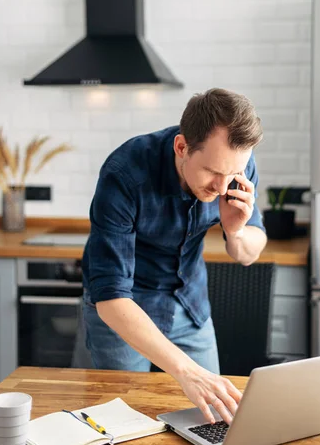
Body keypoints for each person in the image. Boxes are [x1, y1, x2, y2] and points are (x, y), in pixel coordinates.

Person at [81, 88, 267, 425]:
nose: (223, 188)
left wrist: (235, 231)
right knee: (124, 422)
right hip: (126, 310)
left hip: (189, 305)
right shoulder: (124, 174)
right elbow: (110, 298)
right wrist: (186, 372)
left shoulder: (236, 163)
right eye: (212, 172)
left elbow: (248, 254)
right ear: (182, 147)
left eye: (232, 175)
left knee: (216, 420)